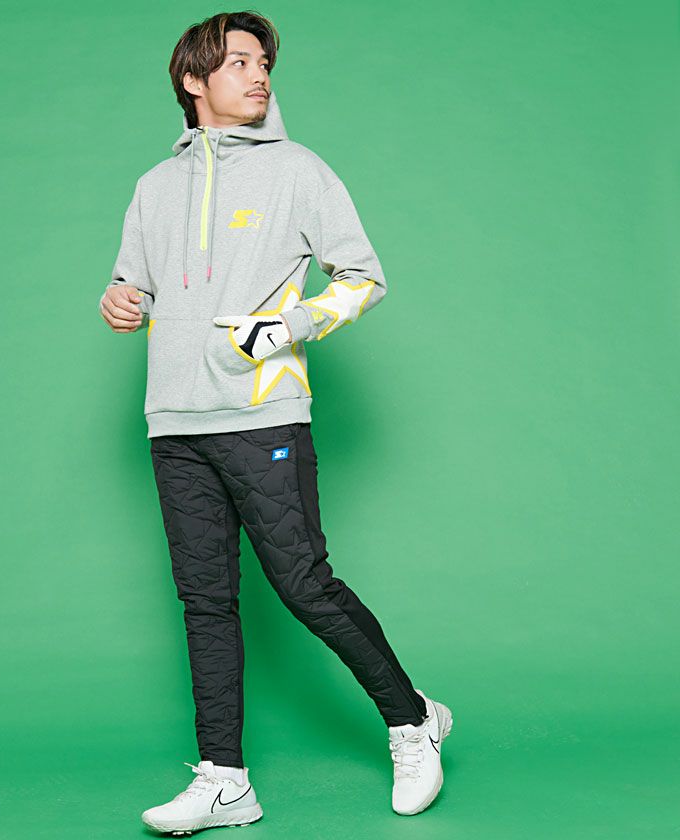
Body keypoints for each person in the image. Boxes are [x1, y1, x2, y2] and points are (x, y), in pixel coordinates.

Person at [98, 10, 453, 834]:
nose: (259, 75)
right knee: (205, 603)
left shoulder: (298, 171)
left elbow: (363, 278)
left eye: (264, 63)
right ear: (193, 79)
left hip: (262, 416)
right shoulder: (154, 187)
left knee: (304, 585)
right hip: (173, 421)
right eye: (239, 62)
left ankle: (411, 721)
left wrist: (285, 326)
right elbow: (132, 286)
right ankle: (225, 779)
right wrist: (119, 301)